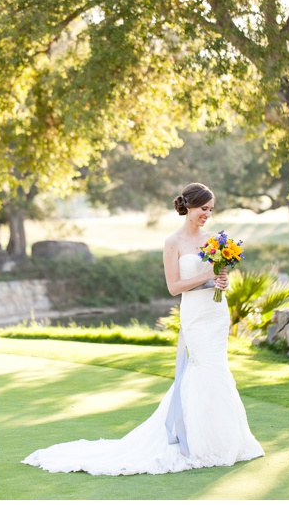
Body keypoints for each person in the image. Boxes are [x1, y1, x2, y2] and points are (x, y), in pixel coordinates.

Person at [22, 183, 264, 475]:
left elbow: (217, 278)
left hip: (215, 312)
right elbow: (174, 287)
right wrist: (207, 276)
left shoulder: (216, 240)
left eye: (211, 210)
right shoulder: (173, 242)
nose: (207, 214)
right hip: (195, 314)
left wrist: (220, 281)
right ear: (188, 207)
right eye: (203, 209)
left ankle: (223, 440)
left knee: (217, 368)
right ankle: (192, 440)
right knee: (203, 367)